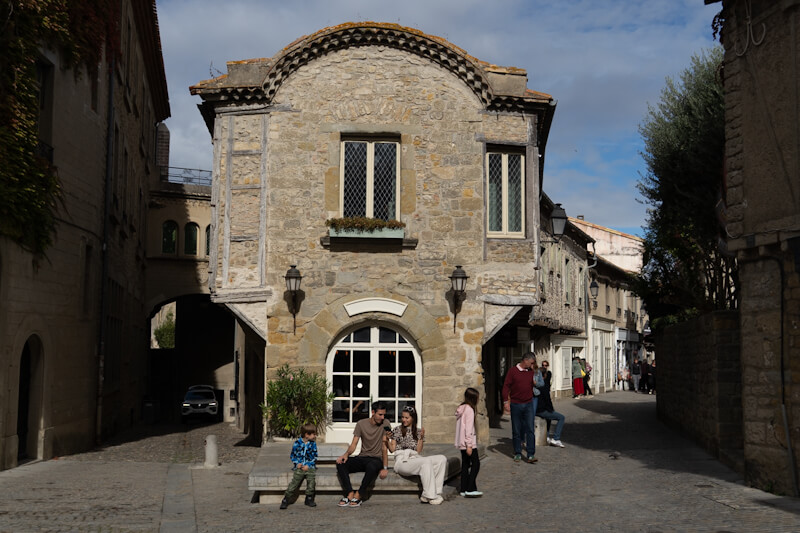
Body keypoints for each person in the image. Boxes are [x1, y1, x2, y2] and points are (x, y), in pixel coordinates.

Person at [387, 405, 447, 505]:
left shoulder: (418, 431)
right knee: (426, 461)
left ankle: (435, 492)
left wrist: (421, 438)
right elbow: (392, 449)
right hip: (401, 461)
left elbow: (418, 451)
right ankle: (429, 495)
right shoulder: (397, 430)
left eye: (407, 417)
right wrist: (386, 440)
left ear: (413, 418)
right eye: (402, 417)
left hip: (414, 458)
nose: (404, 420)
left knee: (442, 458)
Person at [335, 401, 390, 507]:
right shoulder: (361, 424)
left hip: (376, 459)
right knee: (341, 463)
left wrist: (385, 467)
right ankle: (350, 492)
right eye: (380, 414)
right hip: (362, 457)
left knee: (372, 466)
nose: (382, 417)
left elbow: (385, 446)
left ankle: (359, 494)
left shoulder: (386, 424)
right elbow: (354, 444)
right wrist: (345, 455)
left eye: (384, 414)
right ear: (373, 412)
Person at [502, 352, 538, 463]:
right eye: (531, 363)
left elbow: (533, 385)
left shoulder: (531, 372)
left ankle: (531, 454)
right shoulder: (512, 371)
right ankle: (517, 452)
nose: (532, 365)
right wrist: (505, 402)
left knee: (530, 429)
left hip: (528, 404)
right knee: (516, 430)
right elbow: (506, 386)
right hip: (516, 404)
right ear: (525, 360)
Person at [280, 423, 318, 509]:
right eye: (313, 434)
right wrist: (297, 463)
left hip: (309, 467)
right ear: (306, 435)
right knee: (294, 483)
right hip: (299, 467)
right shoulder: (297, 443)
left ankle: (309, 498)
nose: (315, 436)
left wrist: (308, 465)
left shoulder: (313, 444)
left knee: (311, 482)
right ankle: (286, 499)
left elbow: (315, 456)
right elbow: (293, 455)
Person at [455, 387, 481, 497]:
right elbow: (468, 429)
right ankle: (470, 488)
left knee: (465, 465)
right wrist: (469, 445)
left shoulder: (462, 408)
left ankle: (463, 488)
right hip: (468, 443)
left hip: (461, 442)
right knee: (476, 464)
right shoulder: (469, 410)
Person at [535, 364, 566, 448]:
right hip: (541, 410)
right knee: (561, 417)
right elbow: (547, 401)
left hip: (536, 409)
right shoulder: (544, 386)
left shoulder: (535, 384)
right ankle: (556, 438)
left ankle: (547, 436)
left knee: (549, 417)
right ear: (544, 375)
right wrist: (551, 410)